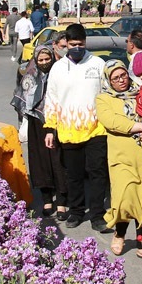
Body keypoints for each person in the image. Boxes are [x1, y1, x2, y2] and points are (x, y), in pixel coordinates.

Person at [43, 23, 111, 233]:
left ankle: (98, 215)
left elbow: (108, 95)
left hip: (96, 129)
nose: (76, 48)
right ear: (66, 45)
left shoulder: (98, 64)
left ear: (85, 43)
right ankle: (77, 211)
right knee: (73, 174)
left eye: (80, 44)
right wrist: (49, 128)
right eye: (72, 44)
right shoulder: (58, 68)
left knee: (97, 173)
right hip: (68, 130)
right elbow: (51, 99)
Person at [96, 60, 142, 258]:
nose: (121, 81)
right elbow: (112, 121)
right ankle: (119, 234)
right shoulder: (103, 98)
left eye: (123, 75)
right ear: (109, 80)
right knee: (125, 198)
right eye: (115, 78)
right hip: (122, 157)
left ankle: (141, 243)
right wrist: (141, 127)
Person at [11, 44, 67, 218]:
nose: (44, 62)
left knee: (58, 161)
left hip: (58, 121)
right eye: (40, 59)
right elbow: (21, 100)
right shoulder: (30, 76)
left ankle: (62, 203)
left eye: (47, 59)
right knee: (40, 162)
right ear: (35, 59)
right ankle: (47, 199)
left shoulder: (59, 75)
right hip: (36, 123)